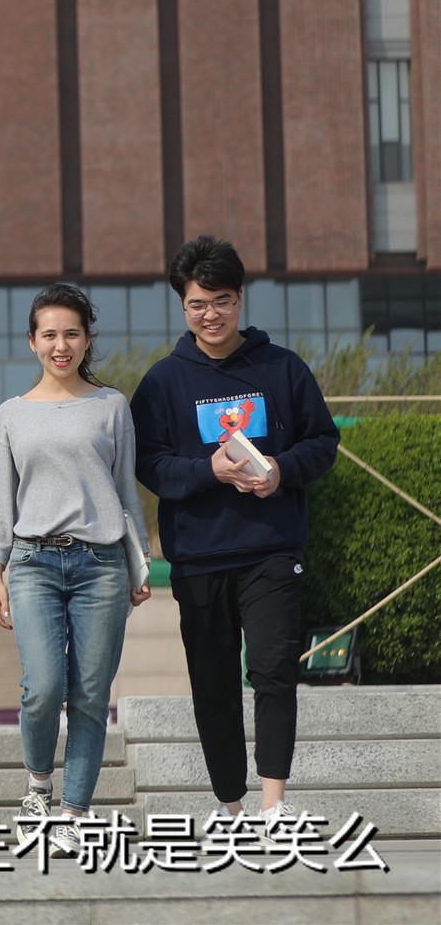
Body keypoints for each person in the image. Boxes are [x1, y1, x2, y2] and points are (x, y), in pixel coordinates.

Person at [129, 237, 339, 824]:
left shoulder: (282, 368)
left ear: (240, 299)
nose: (211, 315)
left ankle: (274, 803)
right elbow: (149, 464)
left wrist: (280, 471)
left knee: (274, 671)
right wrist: (208, 470)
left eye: (222, 301)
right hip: (198, 558)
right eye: (198, 304)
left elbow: (322, 443)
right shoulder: (163, 382)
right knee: (212, 683)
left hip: (272, 550)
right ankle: (231, 805)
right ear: (182, 305)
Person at [0, 284, 149, 853]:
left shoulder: (112, 406)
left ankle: (75, 811)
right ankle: (37, 787)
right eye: (50, 334)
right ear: (33, 342)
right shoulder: (10, 414)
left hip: (101, 563)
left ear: (86, 341)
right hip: (32, 561)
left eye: (72, 334)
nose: (61, 344)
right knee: (43, 687)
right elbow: (1, 500)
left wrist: (139, 560)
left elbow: (126, 488)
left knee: (88, 693)